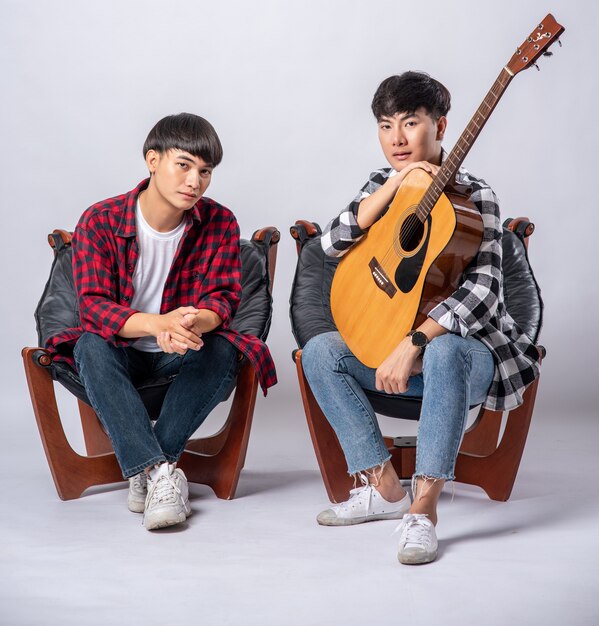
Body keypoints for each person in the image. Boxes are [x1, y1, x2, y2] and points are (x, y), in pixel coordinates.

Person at [301, 72, 541, 564]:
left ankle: (423, 509)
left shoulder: (476, 195)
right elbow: (329, 244)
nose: (397, 138)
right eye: (386, 126)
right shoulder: (380, 184)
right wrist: (395, 186)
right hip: (392, 355)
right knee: (322, 351)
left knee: (448, 349)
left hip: (463, 358)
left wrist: (413, 342)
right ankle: (382, 485)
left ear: (441, 125)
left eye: (410, 123)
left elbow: (485, 291)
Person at [46, 113, 276, 530]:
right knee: (89, 344)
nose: (195, 181)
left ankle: (149, 473)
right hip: (121, 352)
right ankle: (160, 472)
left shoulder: (220, 222)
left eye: (205, 172)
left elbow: (222, 299)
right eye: (183, 165)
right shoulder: (100, 220)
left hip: (183, 352)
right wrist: (158, 325)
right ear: (153, 160)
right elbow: (94, 308)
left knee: (227, 344)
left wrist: (192, 324)